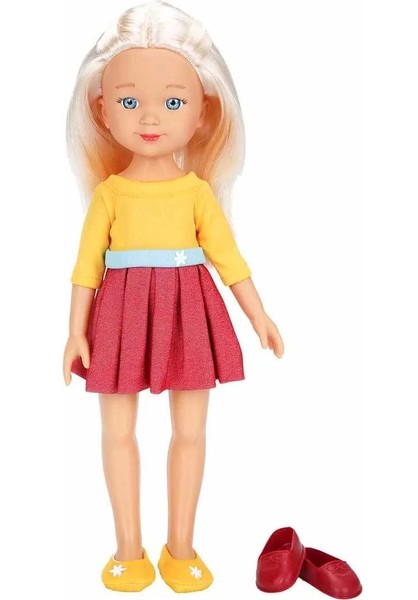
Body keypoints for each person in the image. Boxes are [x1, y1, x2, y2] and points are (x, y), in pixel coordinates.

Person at [63, 0, 284, 592]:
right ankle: (127, 550)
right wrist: (75, 330)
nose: (150, 117)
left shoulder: (196, 192)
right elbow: (86, 267)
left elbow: (228, 259)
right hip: (119, 312)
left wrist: (258, 314)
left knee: (190, 431)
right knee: (117, 432)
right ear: (101, 109)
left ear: (203, 110)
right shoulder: (110, 194)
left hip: (189, 309)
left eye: (173, 101)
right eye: (128, 102)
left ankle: (180, 548)